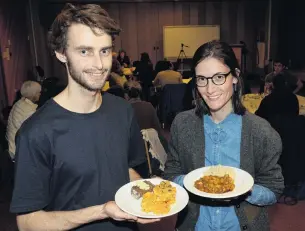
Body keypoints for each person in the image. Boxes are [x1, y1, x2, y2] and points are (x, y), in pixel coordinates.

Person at [10, 3, 159, 231]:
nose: (99, 65)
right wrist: (101, 211)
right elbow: (27, 222)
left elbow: (123, 169)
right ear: (61, 53)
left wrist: (149, 190)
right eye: (84, 51)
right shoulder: (36, 132)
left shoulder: (123, 110)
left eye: (104, 51)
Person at [164, 40, 284, 231]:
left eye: (219, 77)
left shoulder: (261, 131)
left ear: (235, 77)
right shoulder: (182, 124)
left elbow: (274, 188)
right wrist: (189, 183)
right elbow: (171, 174)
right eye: (202, 79)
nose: (210, 90)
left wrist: (246, 190)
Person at [6, 81, 41, 159]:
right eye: (38, 92)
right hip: (17, 151)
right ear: (33, 94)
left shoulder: (20, 103)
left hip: (15, 147)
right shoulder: (26, 109)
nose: (40, 94)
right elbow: (33, 131)